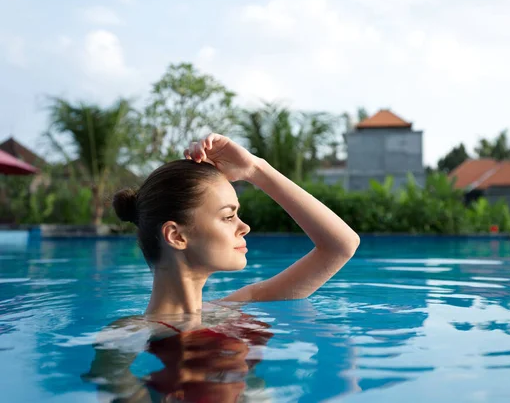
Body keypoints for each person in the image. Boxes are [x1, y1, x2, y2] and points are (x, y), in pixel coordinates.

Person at [83, 133, 360, 401]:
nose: (245, 227)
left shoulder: (240, 305)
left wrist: (255, 169)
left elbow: (341, 246)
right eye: (228, 216)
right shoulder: (127, 335)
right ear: (177, 236)